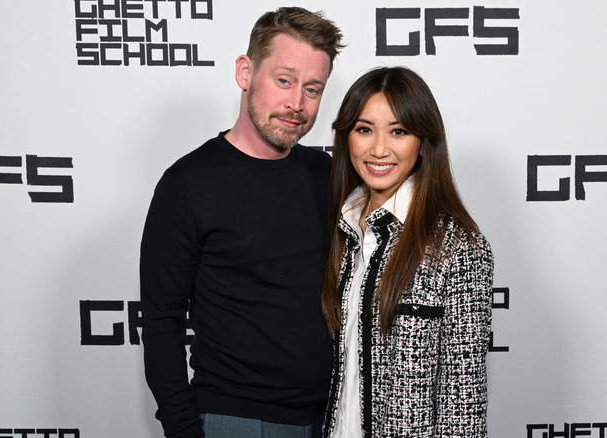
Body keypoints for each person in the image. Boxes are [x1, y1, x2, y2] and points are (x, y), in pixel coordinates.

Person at [139, 7, 344, 438]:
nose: (297, 104)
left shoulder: (326, 174)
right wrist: (183, 430)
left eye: (312, 89)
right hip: (236, 420)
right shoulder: (187, 186)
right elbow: (162, 321)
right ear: (245, 72)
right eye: (284, 80)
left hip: (332, 416)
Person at [320, 66, 494, 437]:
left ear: (423, 141)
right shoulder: (340, 228)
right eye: (364, 129)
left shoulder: (457, 246)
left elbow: (463, 403)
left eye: (398, 131)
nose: (379, 149)